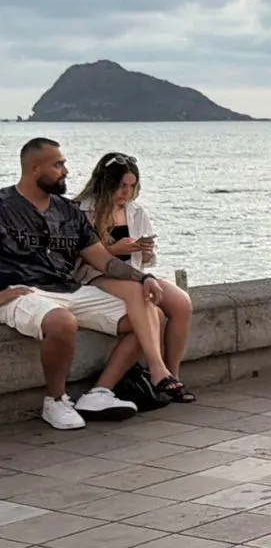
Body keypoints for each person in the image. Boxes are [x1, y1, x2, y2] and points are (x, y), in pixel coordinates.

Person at [0, 139, 158, 429]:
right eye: (58, 165)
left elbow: (102, 260)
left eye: (65, 164)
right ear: (35, 168)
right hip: (21, 292)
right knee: (62, 321)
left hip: (68, 288)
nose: (66, 171)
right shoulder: (3, 206)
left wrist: (144, 277)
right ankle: (56, 401)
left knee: (148, 314)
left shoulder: (67, 211)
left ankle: (99, 393)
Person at [73, 152, 196, 402]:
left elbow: (146, 261)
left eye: (131, 186)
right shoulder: (83, 211)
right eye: (120, 186)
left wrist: (146, 251)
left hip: (136, 273)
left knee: (181, 303)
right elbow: (75, 258)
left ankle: (172, 375)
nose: (126, 193)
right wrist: (113, 250)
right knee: (146, 300)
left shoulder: (136, 211)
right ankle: (157, 371)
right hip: (96, 275)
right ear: (104, 183)